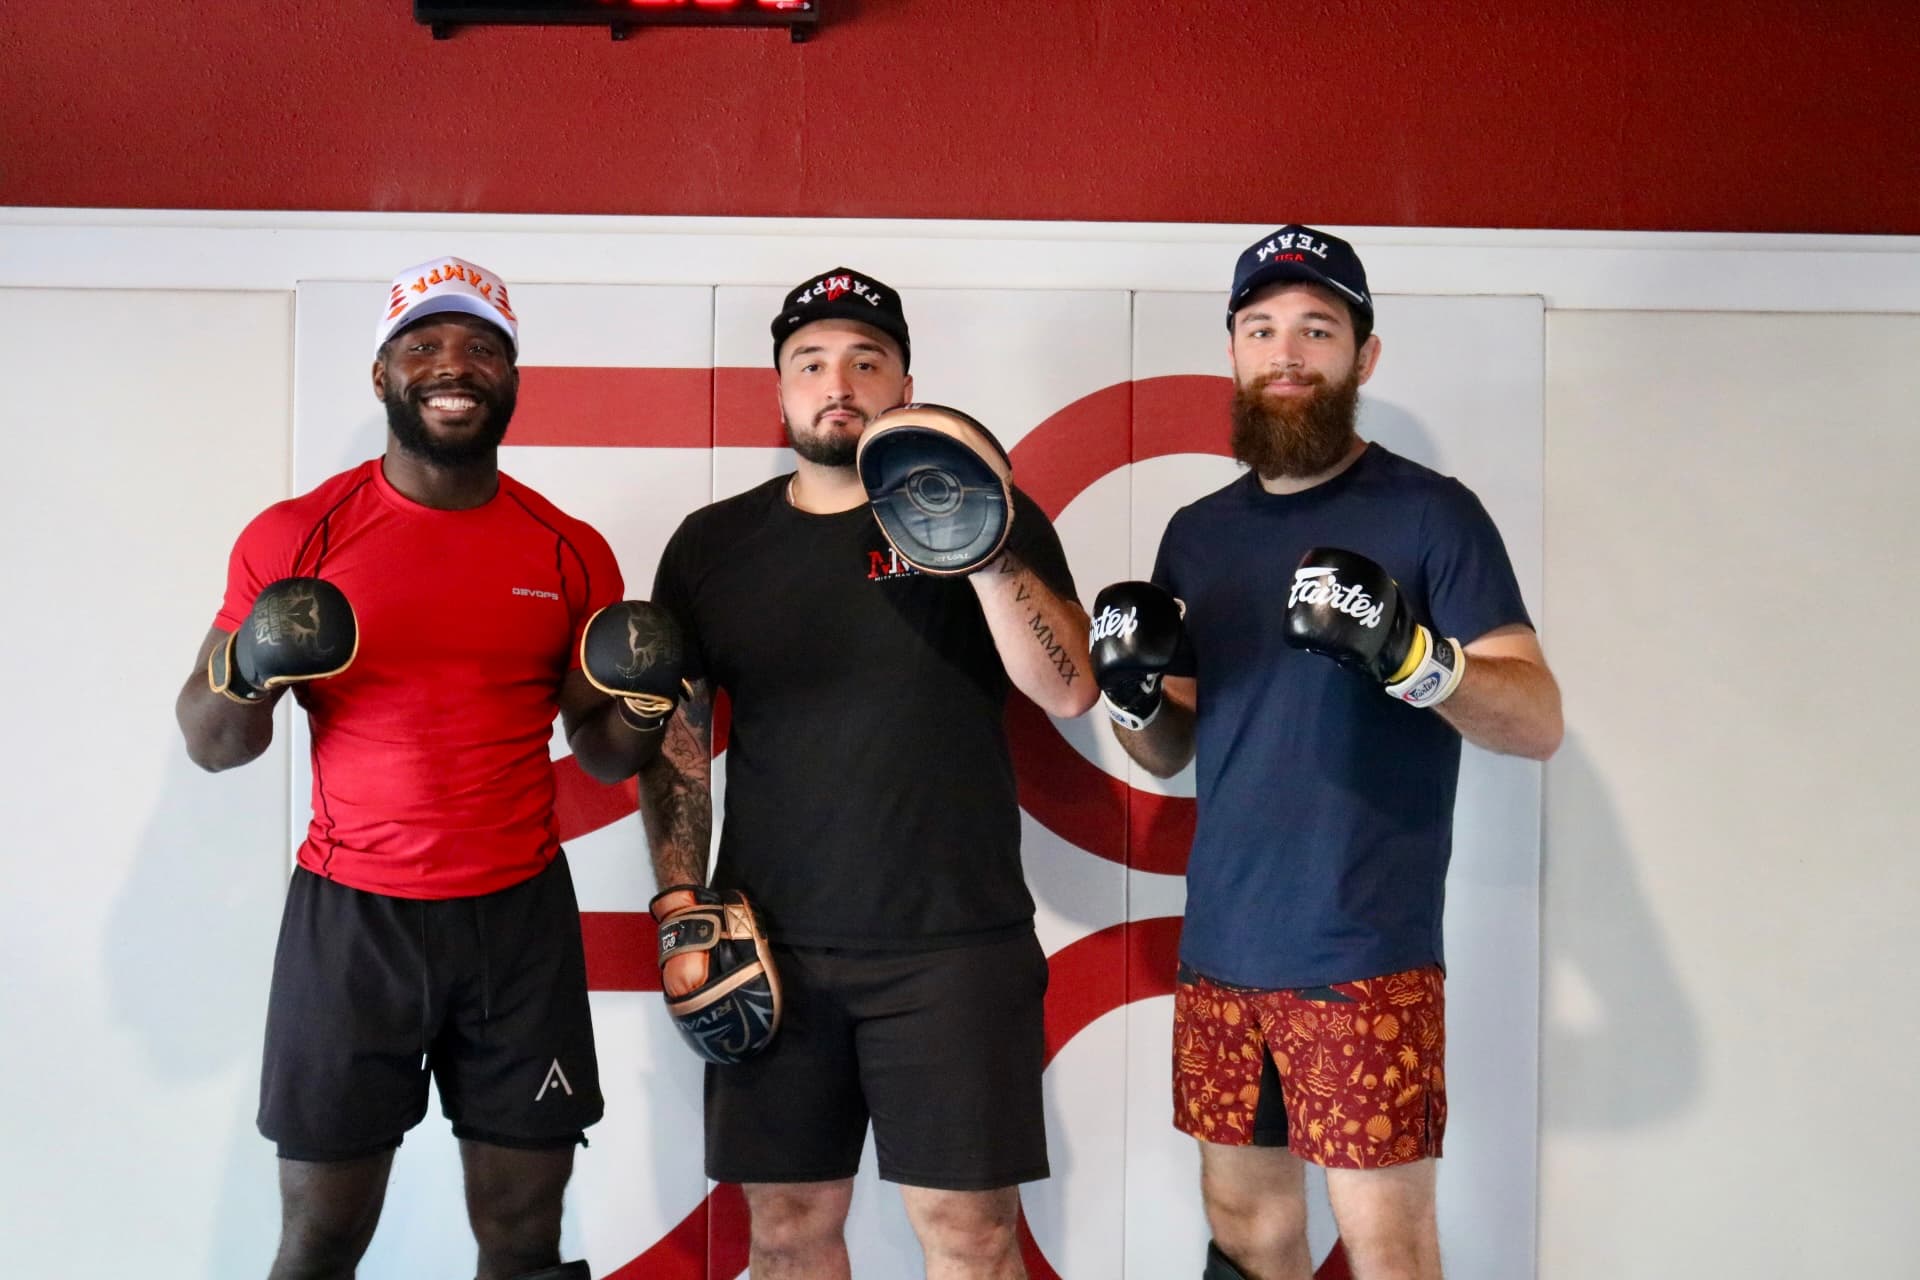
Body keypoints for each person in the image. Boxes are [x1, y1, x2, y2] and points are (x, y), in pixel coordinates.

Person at [175, 256, 684, 1280]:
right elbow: (211, 740)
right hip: (351, 916)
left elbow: (599, 749)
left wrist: (641, 703)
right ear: (381, 376)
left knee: (525, 1237)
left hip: (516, 918)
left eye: (482, 346)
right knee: (320, 1235)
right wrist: (248, 664)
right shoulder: (296, 536)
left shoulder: (567, 549)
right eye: (423, 343)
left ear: (512, 378)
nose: (453, 364)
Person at [1090, 226, 1563, 1280]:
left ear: (1365, 355)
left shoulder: (1432, 512)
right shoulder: (1197, 533)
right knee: (1246, 1230)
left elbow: (1536, 718)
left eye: (1317, 327)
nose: (1288, 351)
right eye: (1262, 328)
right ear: (1233, 352)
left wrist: (1411, 657)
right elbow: (1168, 746)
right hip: (1223, 943)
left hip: (1364, 950)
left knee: (1385, 1242)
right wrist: (1127, 696)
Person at [637, 267, 1098, 1278]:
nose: (837, 380)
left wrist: (983, 550)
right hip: (769, 942)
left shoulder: (995, 513)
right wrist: (679, 896)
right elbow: (678, 738)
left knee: (973, 1237)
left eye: (864, 360)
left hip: (953, 944)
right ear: (781, 387)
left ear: (905, 383)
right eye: (812, 361)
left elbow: (1068, 688)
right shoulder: (714, 545)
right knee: (789, 1231)